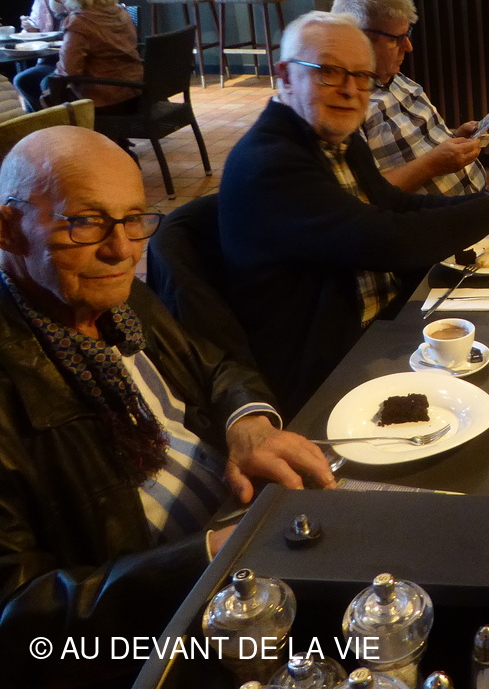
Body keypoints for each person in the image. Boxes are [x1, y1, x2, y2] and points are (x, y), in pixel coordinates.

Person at [0, 126, 334, 688]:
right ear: (9, 229)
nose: (122, 250)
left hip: (251, 524)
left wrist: (248, 422)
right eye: (86, 222)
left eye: (133, 219)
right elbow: (17, 615)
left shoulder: (115, 298)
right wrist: (204, 558)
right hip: (175, 626)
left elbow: (214, 366)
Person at [218, 11, 489, 413]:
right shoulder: (270, 163)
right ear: (286, 76)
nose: (350, 90)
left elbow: (397, 205)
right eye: (329, 72)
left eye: (362, 76)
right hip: (327, 369)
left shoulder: (336, 139)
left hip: (388, 321)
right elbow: (382, 240)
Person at [332, 0, 486, 195]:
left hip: (477, 198)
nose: (409, 46)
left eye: (408, 34)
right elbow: (367, 194)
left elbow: (416, 146)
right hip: (439, 215)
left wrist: (454, 137)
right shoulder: (348, 106)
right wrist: (432, 164)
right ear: (361, 39)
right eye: (396, 38)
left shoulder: (397, 78)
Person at [12, 0, 143, 114]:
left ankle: (49, 124)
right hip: (134, 88)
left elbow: (69, 70)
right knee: (28, 79)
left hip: (102, 96)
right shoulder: (120, 11)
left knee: (41, 83)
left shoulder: (79, 21)